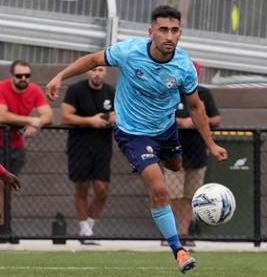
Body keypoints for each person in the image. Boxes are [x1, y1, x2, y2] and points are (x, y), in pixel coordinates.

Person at [46, 5, 228, 273]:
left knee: (176, 166)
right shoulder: (129, 51)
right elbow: (94, 60)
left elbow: (197, 107)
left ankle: (153, 165)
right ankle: (178, 250)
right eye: (163, 29)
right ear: (151, 31)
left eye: (174, 30)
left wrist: (211, 144)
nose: (168, 35)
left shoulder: (184, 66)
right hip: (133, 133)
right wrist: (60, 76)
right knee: (160, 189)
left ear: (180, 33)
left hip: (165, 131)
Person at [164, 61, 221, 247]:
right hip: (174, 153)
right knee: (173, 195)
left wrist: (198, 120)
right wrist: (182, 122)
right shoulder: (171, 92)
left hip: (197, 153)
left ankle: (184, 234)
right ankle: (170, 235)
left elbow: (216, 119)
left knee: (190, 196)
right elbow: (161, 115)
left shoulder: (204, 94)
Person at [61, 66, 115, 239]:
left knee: (102, 190)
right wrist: (90, 121)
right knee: (82, 188)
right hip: (79, 146)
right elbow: (66, 116)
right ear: (88, 72)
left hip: (103, 146)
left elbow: (120, 112)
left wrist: (114, 117)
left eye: (100, 70)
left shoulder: (111, 92)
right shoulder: (75, 90)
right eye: (93, 70)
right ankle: (84, 228)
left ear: (105, 72)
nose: (97, 73)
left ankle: (90, 224)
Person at [0, 60, 54, 175]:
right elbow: (2, 116)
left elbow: (48, 115)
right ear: (12, 76)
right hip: (0, 143)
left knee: (11, 183)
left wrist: (38, 124)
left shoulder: (34, 90)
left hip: (17, 145)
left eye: (27, 75)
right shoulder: (2, 88)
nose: (23, 78)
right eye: (19, 76)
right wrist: (30, 120)